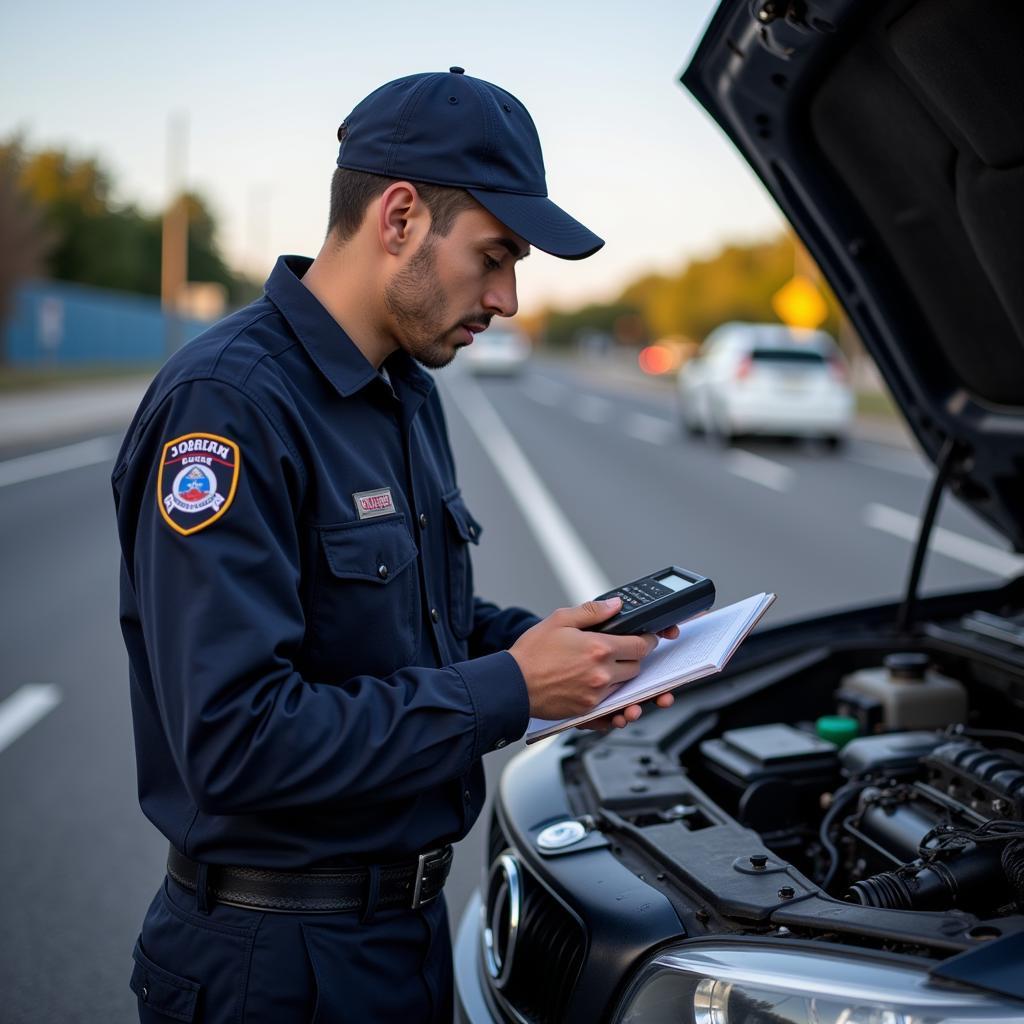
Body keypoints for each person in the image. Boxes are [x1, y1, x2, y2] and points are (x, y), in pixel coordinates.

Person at [113, 67, 677, 1023]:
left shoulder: (405, 391)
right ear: (402, 217)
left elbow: (417, 631)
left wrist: (569, 653)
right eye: (494, 257)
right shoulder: (230, 407)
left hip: (404, 944)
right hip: (271, 967)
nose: (506, 299)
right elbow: (235, 741)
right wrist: (512, 689)